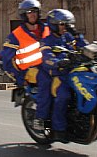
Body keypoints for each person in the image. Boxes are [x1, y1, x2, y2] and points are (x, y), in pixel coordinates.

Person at [36, 9, 88, 142]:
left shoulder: (69, 37)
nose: (65, 27)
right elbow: (47, 58)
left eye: (67, 24)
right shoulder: (46, 41)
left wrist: (77, 36)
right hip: (58, 74)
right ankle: (59, 129)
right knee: (63, 96)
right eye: (62, 24)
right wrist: (58, 62)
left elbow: (85, 48)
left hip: (73, 72)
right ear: (53, 25)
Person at [0, 0, 50, 88]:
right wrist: (19, 78)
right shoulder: (16, 35)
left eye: (35, 11)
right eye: (29, 12)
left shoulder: (48, 29)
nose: (33, 14)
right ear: (24, 15)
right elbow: (6, 58)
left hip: (51, 68)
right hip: (30, 73)